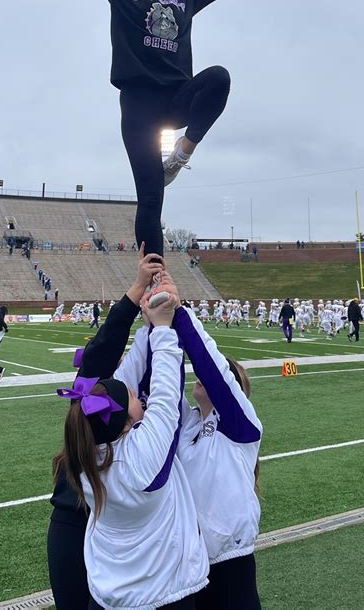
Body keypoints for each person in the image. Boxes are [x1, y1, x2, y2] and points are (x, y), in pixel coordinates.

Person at [19, 0, 269, 257]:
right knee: (151, 201)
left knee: (219, 78)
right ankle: (155, 283)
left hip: (176, 98)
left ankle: (182, 153)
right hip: (138, 105)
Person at [56, 290, 209, 609]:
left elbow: (115, 396)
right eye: (135, 397)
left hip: (108, 595)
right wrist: (164, 327)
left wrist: (146, 327)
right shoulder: (143, 454)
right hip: (160, 596)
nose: (142, 396)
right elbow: (167, 392)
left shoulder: (86, 452)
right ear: (128, 419)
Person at [48, 245, 165, 610]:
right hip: (84, 527)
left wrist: (146, 313)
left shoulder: (95, 401)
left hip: (102, 533)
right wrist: (142, 295)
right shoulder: (95, 402)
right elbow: (103, 350)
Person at [153, 272, 262, 610]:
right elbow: (160, 392)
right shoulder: (188, 422)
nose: (200, 376)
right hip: (189, 560)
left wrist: (180, 312)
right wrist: (156, 326)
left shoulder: (240, 426)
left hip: (231, 557)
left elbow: (212, 367)